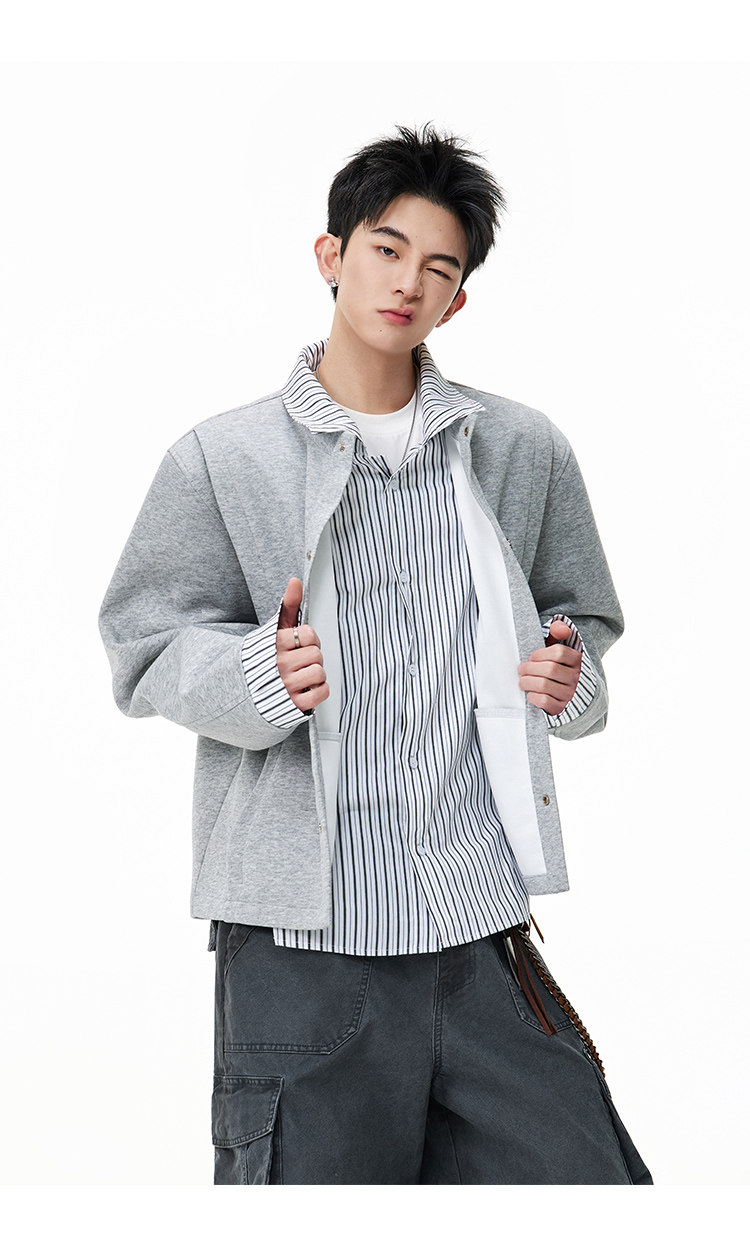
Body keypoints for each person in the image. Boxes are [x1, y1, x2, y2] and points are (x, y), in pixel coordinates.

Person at [99, 124, 652, 1185]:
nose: (407, 282)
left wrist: (570, 679)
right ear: (332, 254)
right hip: (303, 950)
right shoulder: (222, 456)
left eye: (438, 267)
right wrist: (260, 675)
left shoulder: (520, 448)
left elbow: (580, 619)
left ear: (458, 300)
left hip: (476, 925)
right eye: (387, 249)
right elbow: (143, 642)